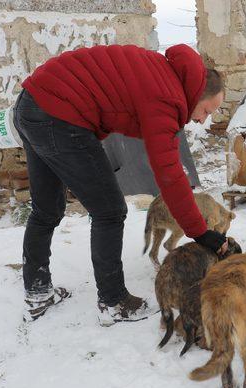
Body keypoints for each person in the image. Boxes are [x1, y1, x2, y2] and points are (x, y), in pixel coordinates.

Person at [13, 43, 228, 325]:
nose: (202, 120)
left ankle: (38, 293)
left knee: (46, 209)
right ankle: (114, 301)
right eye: (206, 110)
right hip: (60, 116)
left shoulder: (165, 74)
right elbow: (170, 175)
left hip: (33, 103)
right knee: (110, 211)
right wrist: (201, 233)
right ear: (197, 94)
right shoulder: (168, 98)